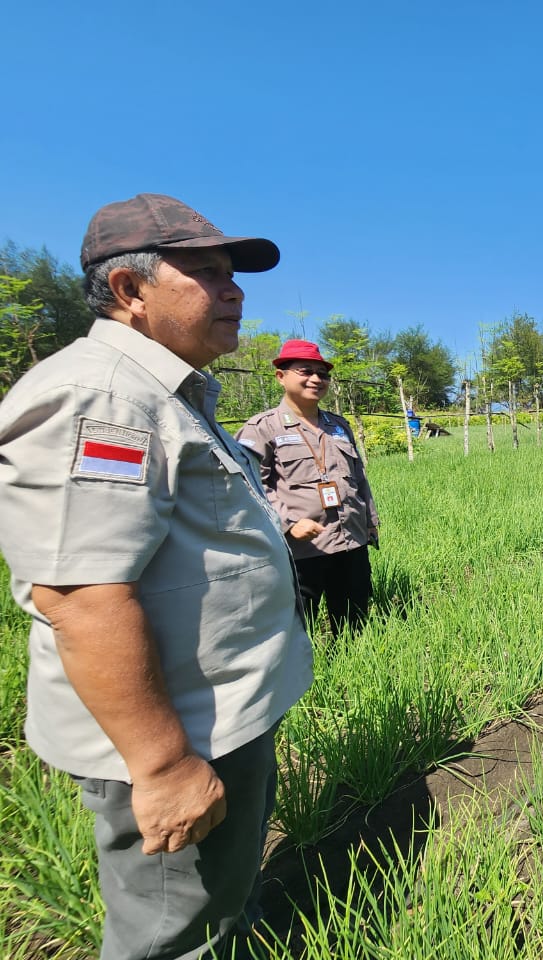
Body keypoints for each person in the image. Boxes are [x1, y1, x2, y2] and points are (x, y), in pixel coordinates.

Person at [0, 193, 312, 959]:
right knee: (173, 934)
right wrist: (165, 765)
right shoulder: (99, 395)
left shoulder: (168, 393)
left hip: (219, 715)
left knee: (217, 901)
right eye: (205, 273)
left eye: (233, 274)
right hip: (176, 735)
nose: (234, 290)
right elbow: (81, 595)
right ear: (129, 292)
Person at [236, 340, 380, 634]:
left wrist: (371, 523)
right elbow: (247, 482)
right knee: (301, 630)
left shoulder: (338, 426)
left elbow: (359, 479)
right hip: (301, 548)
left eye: (322, 373)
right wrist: (287, 524)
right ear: (281, 376)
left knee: (356, 624)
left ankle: (351, 672)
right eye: (305, 371)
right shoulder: (262, 427)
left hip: (351, 540)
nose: (316, 379)